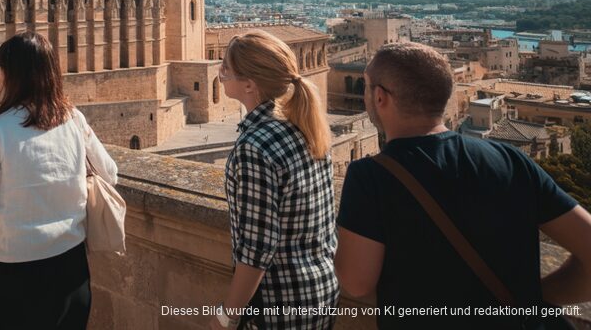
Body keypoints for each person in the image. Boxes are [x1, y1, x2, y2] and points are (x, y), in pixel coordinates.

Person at [335, 42, 591, 329]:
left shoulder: (370, 177)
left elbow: (355, 283)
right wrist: (532, 300)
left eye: (367, 87)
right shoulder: (510, 160)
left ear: (380, 97)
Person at [0, 32, 116, 330]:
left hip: (15, 278)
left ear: (10, 73)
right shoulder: (73, 118)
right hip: (72, 268)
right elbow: (110, 174)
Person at [212, 29, 337, 330]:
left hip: (280, 306)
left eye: (225, 68)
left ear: (249, 84)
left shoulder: (255, 148)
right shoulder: (304, 128)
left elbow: (257, 249)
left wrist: (227, 316)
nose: (220, 74)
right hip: (320, 295)